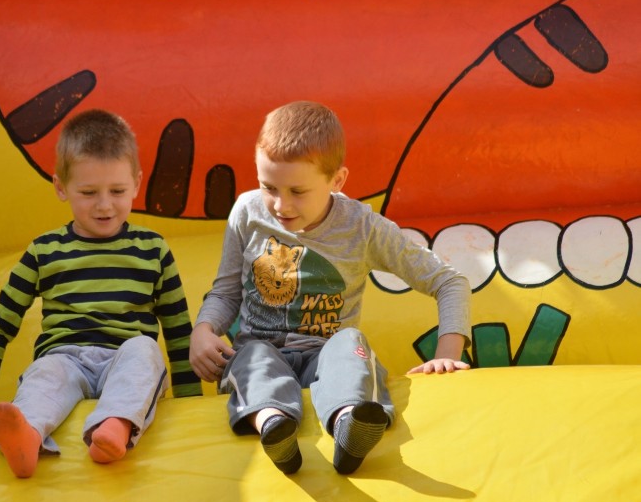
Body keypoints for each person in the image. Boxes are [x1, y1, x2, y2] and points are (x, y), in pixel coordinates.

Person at [190, 100, 471, 475]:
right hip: (263, 352)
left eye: (297, 191)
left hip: (326, 358)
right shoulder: (247, 212)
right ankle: (274, 425)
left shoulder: (360, 227)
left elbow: (448, 280)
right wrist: (204, 330)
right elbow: (227, 291)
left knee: (350, 342)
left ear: (337, 181)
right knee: (252, 356)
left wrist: (447, 353)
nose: (279, 204)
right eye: (268, 186)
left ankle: (348, 424)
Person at [0, 109, 199, 478]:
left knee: (145, 351)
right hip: (65, 357)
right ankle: (27, 436)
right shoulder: (44, 251)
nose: (104, 205)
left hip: (124, 355)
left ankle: (114, 427)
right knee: (45, 373)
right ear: (61, 188)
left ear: (136, 183)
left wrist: (193, 404)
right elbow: (0, 323)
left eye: (117, 191)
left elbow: (180, 330)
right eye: (88, 193)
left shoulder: (153, 250)